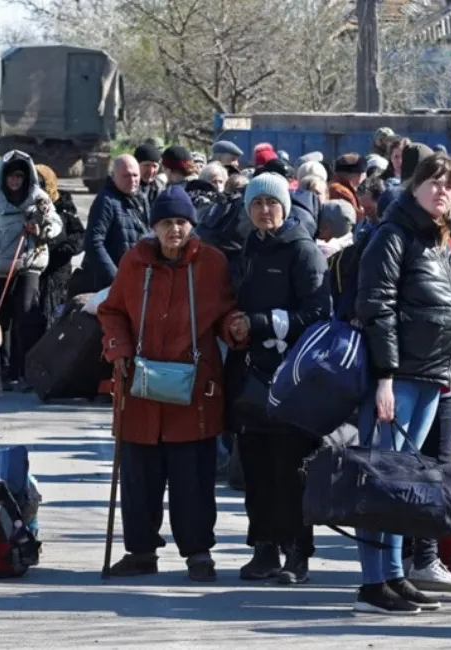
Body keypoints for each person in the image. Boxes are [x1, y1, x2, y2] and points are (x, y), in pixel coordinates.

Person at [353, 154, 451, 615]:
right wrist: (385, 377)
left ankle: (395, 574)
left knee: (405, 483)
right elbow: (377, 307)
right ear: (414, 187)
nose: (442, 191)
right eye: (433, 182)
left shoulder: (450, 242)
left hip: (436, 377)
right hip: (400, 378)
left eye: (449, 185)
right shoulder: (393, 235)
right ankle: (374, 583)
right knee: (383, 481)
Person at [97, 187, 241, 583]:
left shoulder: (211, 263)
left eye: (180, 222)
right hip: (140, 386)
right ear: (154, 227)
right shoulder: (135, 262)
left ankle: (198, 554)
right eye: (165, 223)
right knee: (140, 476)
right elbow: (112, 311)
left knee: (191, 478)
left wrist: (236, 328)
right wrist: (119, 350)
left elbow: (225, 312)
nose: (174, 230)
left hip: (192, 388)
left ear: (191, 225)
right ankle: (141, 552)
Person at [227, 173, 331, 586]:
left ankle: (297, 552)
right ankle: (264, 547)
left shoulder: (303, 250)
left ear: (284, 207)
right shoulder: (251, 246)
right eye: (256, 205)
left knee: (291, 472)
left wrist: (259, 323)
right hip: (254, 377)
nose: (264, 211)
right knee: (255, 469)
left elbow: (318, 315)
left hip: (294, 379)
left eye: (271, 204)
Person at [0, 151, 62, 387]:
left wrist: (41, 231)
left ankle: (26, 371)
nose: (15, 181)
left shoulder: (39, 199)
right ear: (2, 177)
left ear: (26, 177)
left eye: (19, 176)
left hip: (29, 262)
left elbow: (55, 225)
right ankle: (1, 370)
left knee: (27, 314)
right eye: (11, 176)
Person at [84, 154, 149, 292]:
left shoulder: (141, 199)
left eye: (135, 175)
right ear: (114, 176)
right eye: (126, 176)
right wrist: (116, 278)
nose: (132, 180)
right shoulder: (105, 201)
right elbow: (94, 242)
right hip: (111, 285)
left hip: (137, 281)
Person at [34, 164, 85, 326]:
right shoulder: (26, 205)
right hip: (33, 274)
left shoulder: (64, 206)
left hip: (58, 275)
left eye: (41, 184)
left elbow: (79, 235)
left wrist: (63, 250)